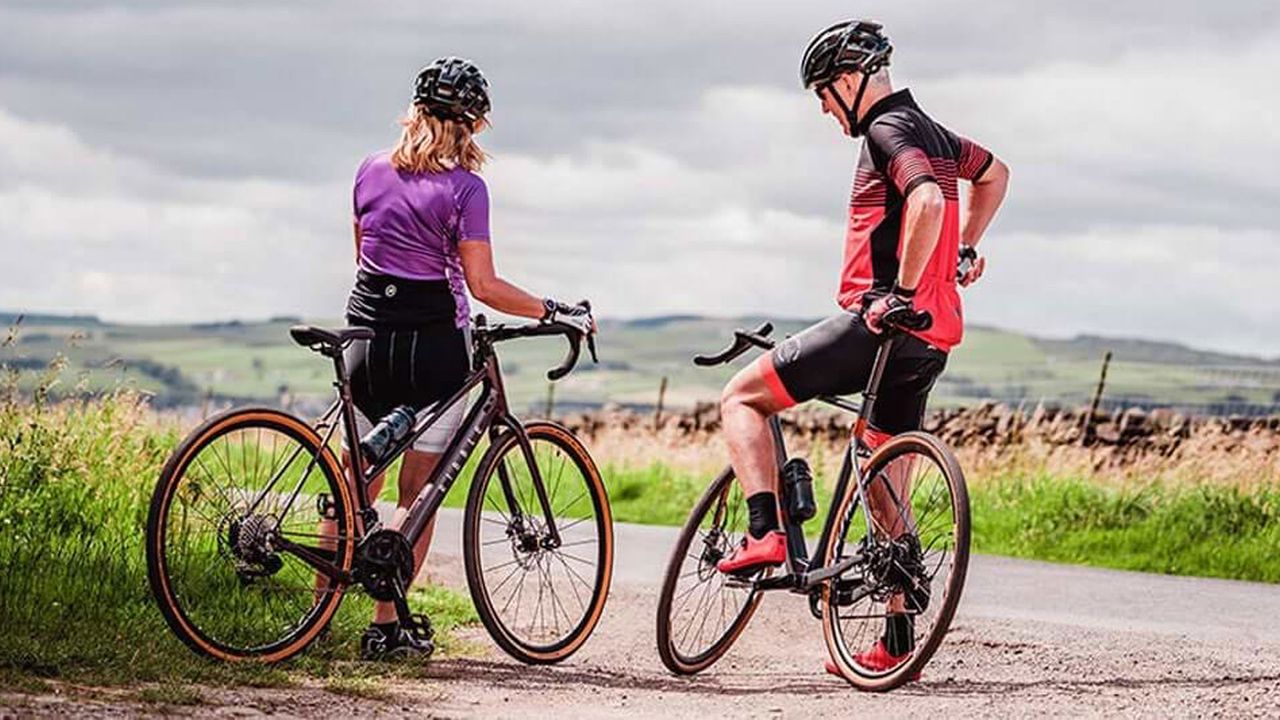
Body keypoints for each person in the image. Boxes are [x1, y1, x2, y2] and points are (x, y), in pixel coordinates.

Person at [714, 20, 1009, 674]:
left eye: (823, 93)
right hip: (933, 339)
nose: (823, 108)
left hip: (879, 328)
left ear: (850, 81)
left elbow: (927, 200)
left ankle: (764, 533)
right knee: (883, 480)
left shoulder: (887, 130)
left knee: (741, 396)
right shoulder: (936, 133)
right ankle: (897, 641)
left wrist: (900, 290)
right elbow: (994, 174)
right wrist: (965, 251)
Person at [329, 57, 594, 660]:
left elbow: (364, 257)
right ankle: (386, 627)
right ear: (472, 126)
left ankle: (314, 617)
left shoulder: (368, 171)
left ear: (415, 113)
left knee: (351, 479)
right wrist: (553, 309)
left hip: (365, 341)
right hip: (433, 351)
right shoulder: (466, 189)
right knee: (415, 492)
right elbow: (484, 286)